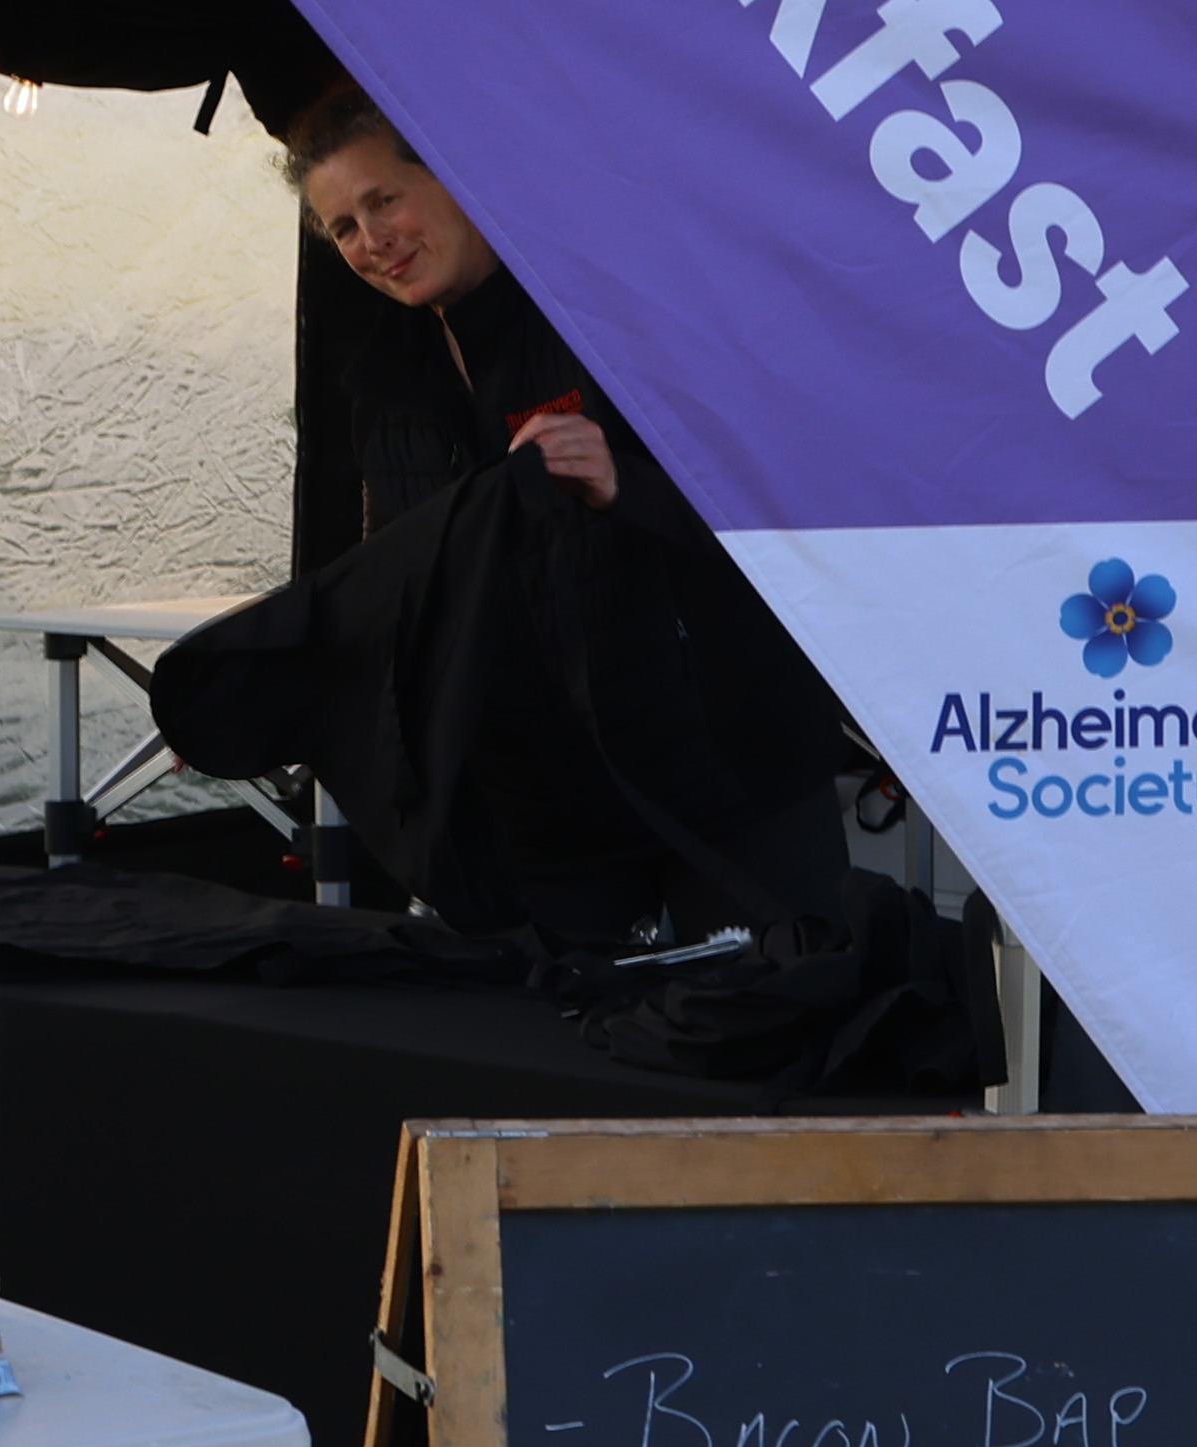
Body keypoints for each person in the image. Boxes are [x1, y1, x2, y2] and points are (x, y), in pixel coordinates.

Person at [146, 91, 850, 944]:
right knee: (573, 1060)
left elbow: (802, 510)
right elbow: (387, 583)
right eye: (342, 228)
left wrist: (626, 484)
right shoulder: (382, 390)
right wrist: (265, 682)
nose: (373, 243)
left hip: (732, 781)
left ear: (456, 175)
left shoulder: (614, 312)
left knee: (783, 1023)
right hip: (543, 811)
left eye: (384, 201)